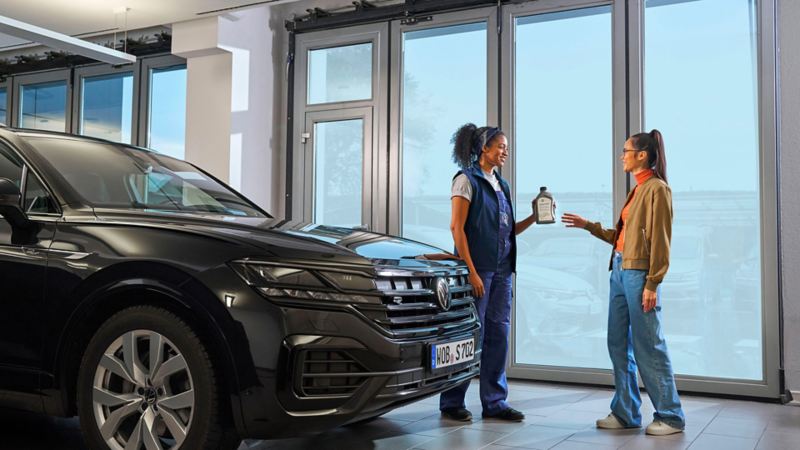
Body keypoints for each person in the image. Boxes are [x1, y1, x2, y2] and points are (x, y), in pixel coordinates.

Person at [561, 129, 686, 436]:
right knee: (617, 342)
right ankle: (627, 412)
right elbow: (623, 241)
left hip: (639, 275)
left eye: (626, 151)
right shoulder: (637, 190)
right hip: (619, 271)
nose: (622, 156)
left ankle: (670, 416)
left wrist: (652, 283)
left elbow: (661, 241)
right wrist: (587, 225)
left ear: (641, 155)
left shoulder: (657, 189)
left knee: (649, 345)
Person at [439, 123, 538, 422]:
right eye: (501, 146)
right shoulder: (465, 181)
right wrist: (470, 272)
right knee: (468, 335)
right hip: (477, 270)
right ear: (484, 148)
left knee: (498, 335)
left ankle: (494, 403)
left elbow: (507, 231)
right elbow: (457, 228)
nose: (505, 151)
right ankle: (452, 401)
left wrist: (535, 216)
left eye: (506, 147)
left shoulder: (502, 185)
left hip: (502, 271)